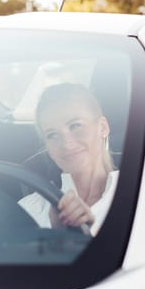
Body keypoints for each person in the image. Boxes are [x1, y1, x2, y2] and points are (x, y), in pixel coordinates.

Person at [18, 83, 119, 236]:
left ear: (102, 128)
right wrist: (56, 235)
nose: (66, 143)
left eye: (75, 126)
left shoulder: (141, 195)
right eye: (52, 135)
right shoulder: (27, 211)